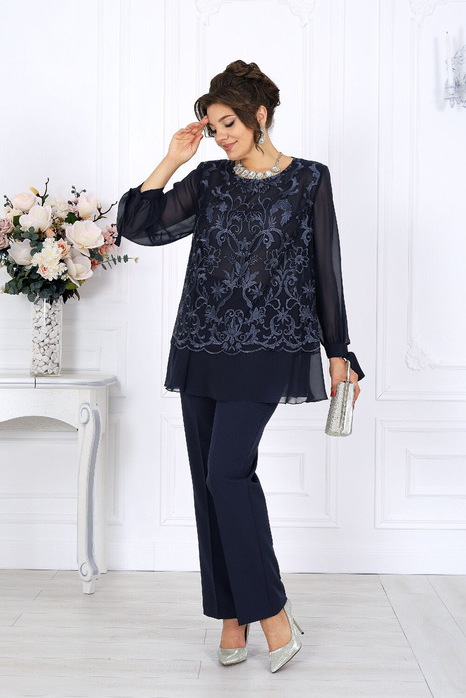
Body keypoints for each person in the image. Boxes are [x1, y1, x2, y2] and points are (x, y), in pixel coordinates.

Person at [115, 59, 364, 673]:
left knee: (227, 472)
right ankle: (232, 615)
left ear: (260, 115)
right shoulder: (208, 180)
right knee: (211, 482)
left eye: (228, 123)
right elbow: (137, 226)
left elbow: (326, 269)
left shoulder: (309, 179)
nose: (220, 135)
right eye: (211, 125)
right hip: (202, 345)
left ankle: (271, 611)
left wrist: (339, 352)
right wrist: (172, 158)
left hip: (271, 345)